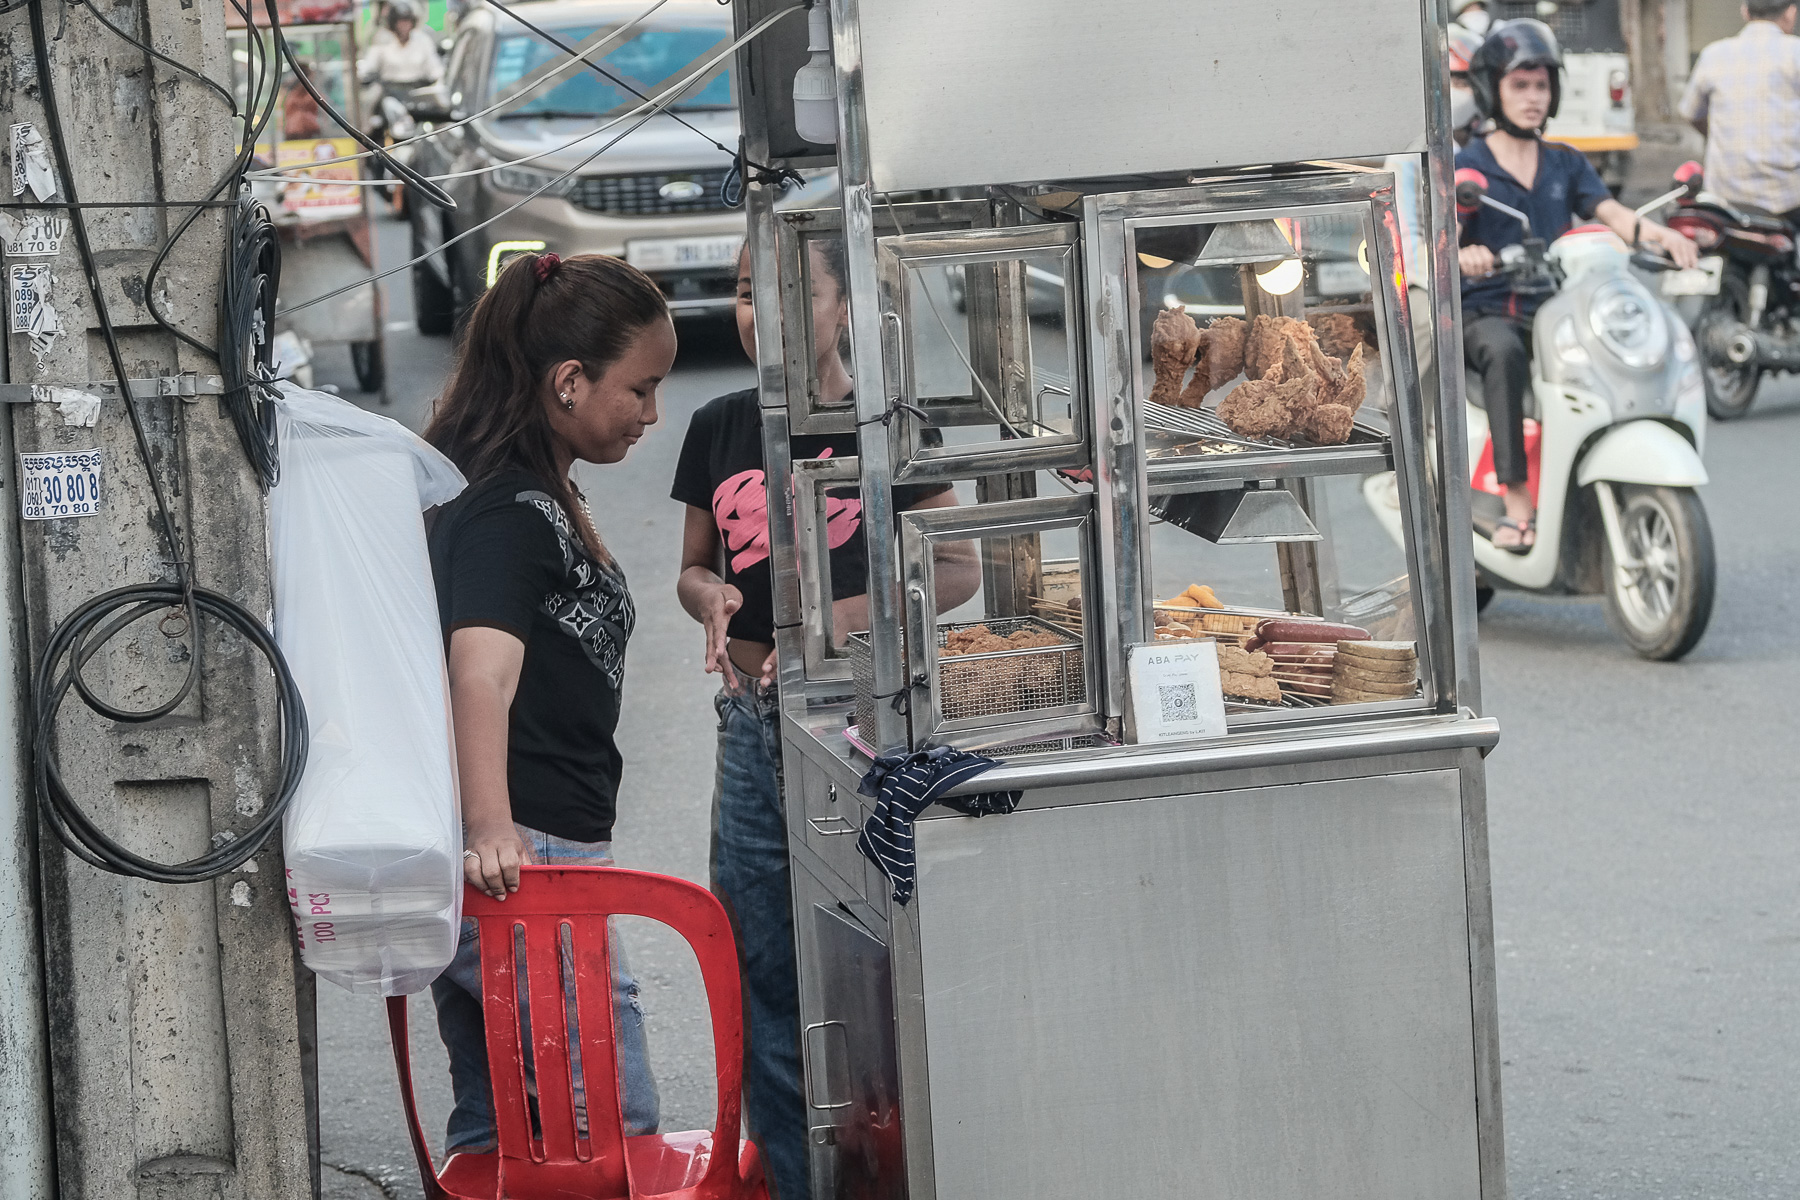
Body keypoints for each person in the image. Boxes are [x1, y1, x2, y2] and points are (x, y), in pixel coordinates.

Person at [670, 242, 980, 1200]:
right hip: (749, 727)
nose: (759, 309)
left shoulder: (889, 425)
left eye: (791, 290)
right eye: (743, 291)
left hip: (862, 733)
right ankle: (795, 1181)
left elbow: (957, 566)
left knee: (875, 969)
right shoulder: (718, 425)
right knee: (763, 969)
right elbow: (693, 567)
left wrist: (834, 622)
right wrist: (711, 598)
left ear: (846, 306)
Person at [423, 251, 677, 1156]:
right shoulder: (507, 507)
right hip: (527, 862)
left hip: (524, 854)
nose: (652, 414)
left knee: (504, 1136)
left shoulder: (529, 489)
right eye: (640, 389)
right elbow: (478, 672)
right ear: (569, 381)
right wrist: (494, 830)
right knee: (608, 1130)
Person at [1456, 20, 1698, 551]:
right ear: (1492, 91)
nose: (1533, 97)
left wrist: (1663, 236)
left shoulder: (1564, 160)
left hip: (1554, 309)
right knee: (1504, 354)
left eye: (1542, 86)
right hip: (1489, 311)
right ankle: (1516, 500)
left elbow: (1612, 213)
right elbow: (1442, 236)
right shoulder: (1468, 165)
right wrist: (1464, 252)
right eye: (1520, 85)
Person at [1679, 1, 1800, 223]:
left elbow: (1691, 112)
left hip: (1724, 198)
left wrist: (1720, 135)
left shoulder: (1713, 54)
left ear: (1745, 12)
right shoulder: (1796, 52)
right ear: (1791, 13)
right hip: (1788, 199)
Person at [359, 0, 442, 89]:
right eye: (401, 22)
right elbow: (369, 65)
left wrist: (438, 82)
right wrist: (362, 74)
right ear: (393, 23)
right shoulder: (383, 40)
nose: (404, 26)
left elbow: (435, 68)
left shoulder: (422, 40)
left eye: (407, 21)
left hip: (417, 89)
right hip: (390, 89)